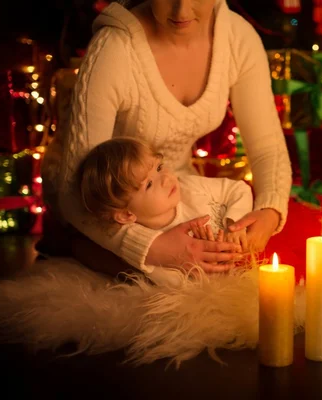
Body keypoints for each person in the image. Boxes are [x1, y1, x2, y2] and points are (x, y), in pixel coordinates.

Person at [41, 0, 292, 276]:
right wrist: (154, 247)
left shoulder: (237, 38)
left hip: (172, 191)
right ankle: (71, 245)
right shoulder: (114, 48)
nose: (181, 12)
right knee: (154, 282)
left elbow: (268, 148)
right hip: (103, 203)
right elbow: (73, 190)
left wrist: (270, 211)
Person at [76, 137, 253, 285]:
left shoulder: (189, 187)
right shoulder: (153, 253)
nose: (166, 178)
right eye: (149, 184)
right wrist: (211, 265)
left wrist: (235, 225)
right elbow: (182, 290)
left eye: (159, 167)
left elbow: (239, 190)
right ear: (126, 214)